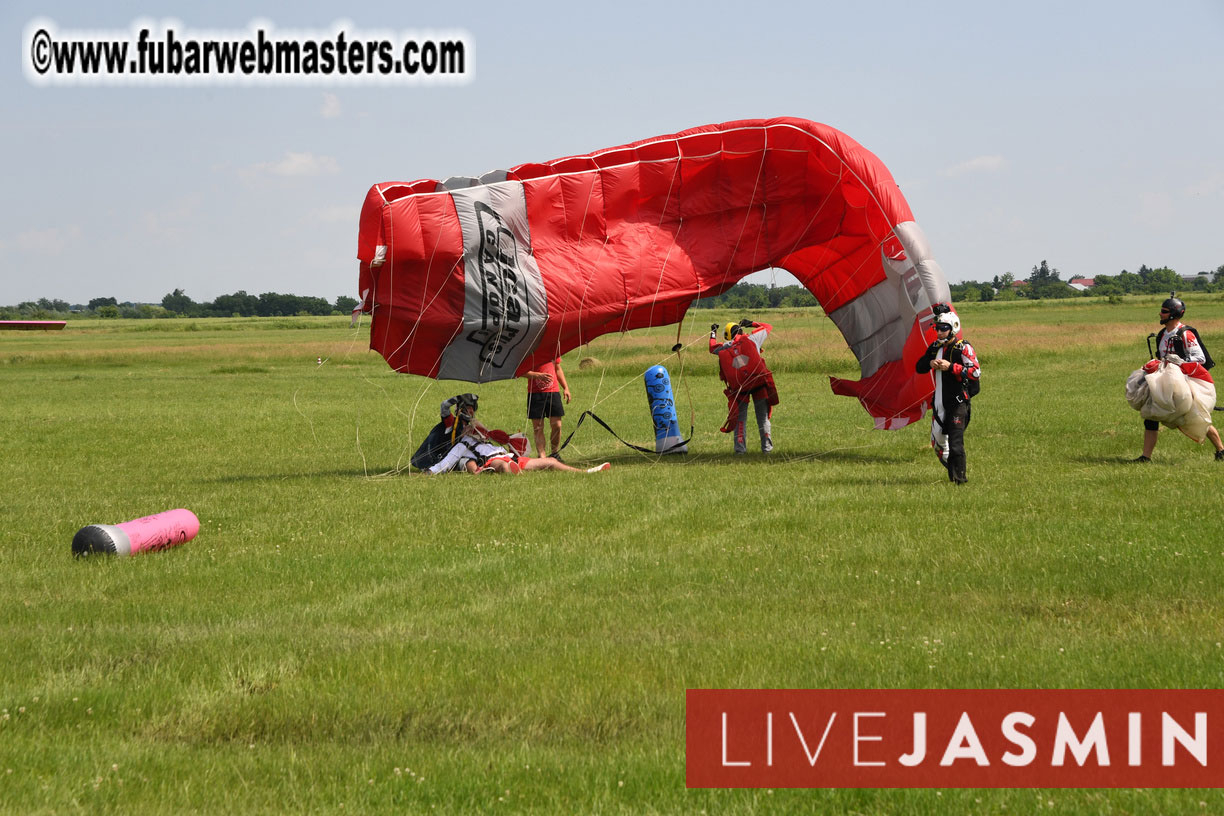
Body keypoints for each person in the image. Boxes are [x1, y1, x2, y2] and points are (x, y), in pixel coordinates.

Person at [1134, 296, 1224, 462]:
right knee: (1151, 415)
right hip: (1164, 381)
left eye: (1164, 311)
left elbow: (1200, 358)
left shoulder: (1185, 334)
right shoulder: (1162, 335)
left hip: (1184, 381)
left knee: (1193, 416)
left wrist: (1180, 363)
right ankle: (1145, 457)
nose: (1160, 314)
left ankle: (1221, 450)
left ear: (1174, 314)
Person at [424, 396, 609, 475]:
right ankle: (501, 472)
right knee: (504, 467)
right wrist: (431, 472)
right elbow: (448, 461)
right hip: (490, 462)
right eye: (466, 411)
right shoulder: (461, 442)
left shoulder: (484, 435)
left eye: (472, 411)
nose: (470, 415)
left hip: (509, 457)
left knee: (551, 462)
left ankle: (585, 472)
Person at [916, 307, 980, 484]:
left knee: (955, 443)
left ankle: (959, 481)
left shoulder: (963, 347)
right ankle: (953, 473)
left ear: (953, 328)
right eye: (936, 328)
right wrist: (930, 362)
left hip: (958, 403)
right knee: (937, 443)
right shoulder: (935, 347)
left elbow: (976, 372)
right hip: (939, 403)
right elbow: (919, 367)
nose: (938, 331)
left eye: (943, 328)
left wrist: (951, 367)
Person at [710, 318, 777, 454]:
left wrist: (712, 332)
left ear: (727, 335)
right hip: (758, 384)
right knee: (762, 418)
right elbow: (768, 325)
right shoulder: (752, 338)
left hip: (739, 389)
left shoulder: (724, 347)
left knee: (740, 420)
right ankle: (767, 449)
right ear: (740, 330)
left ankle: (740, 451)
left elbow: (712, 347)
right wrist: (751, 323)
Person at [525, 356, 571, 459]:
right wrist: (537, 375)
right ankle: (542, 456)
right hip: (535, 394)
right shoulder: (529, 351)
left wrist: (566, 388)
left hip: (553, 392)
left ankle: (555, 453)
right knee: (538, 427)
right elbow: (520, 372)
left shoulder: (553, 350)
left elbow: (558, 368)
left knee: (557, 425)